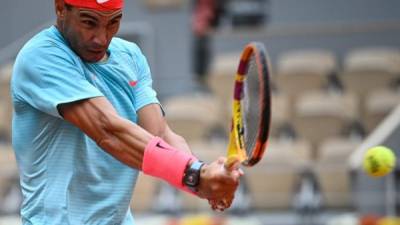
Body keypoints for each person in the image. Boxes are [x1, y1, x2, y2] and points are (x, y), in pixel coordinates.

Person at [10, 0, 242, 224]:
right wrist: (196, 176)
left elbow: (160, 135)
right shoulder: (40, 56)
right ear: (60, 8)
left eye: (113, 22)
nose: (102, 38)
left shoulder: (130, 56)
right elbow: (108, 130)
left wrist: (206, 178)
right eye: (89, 22)